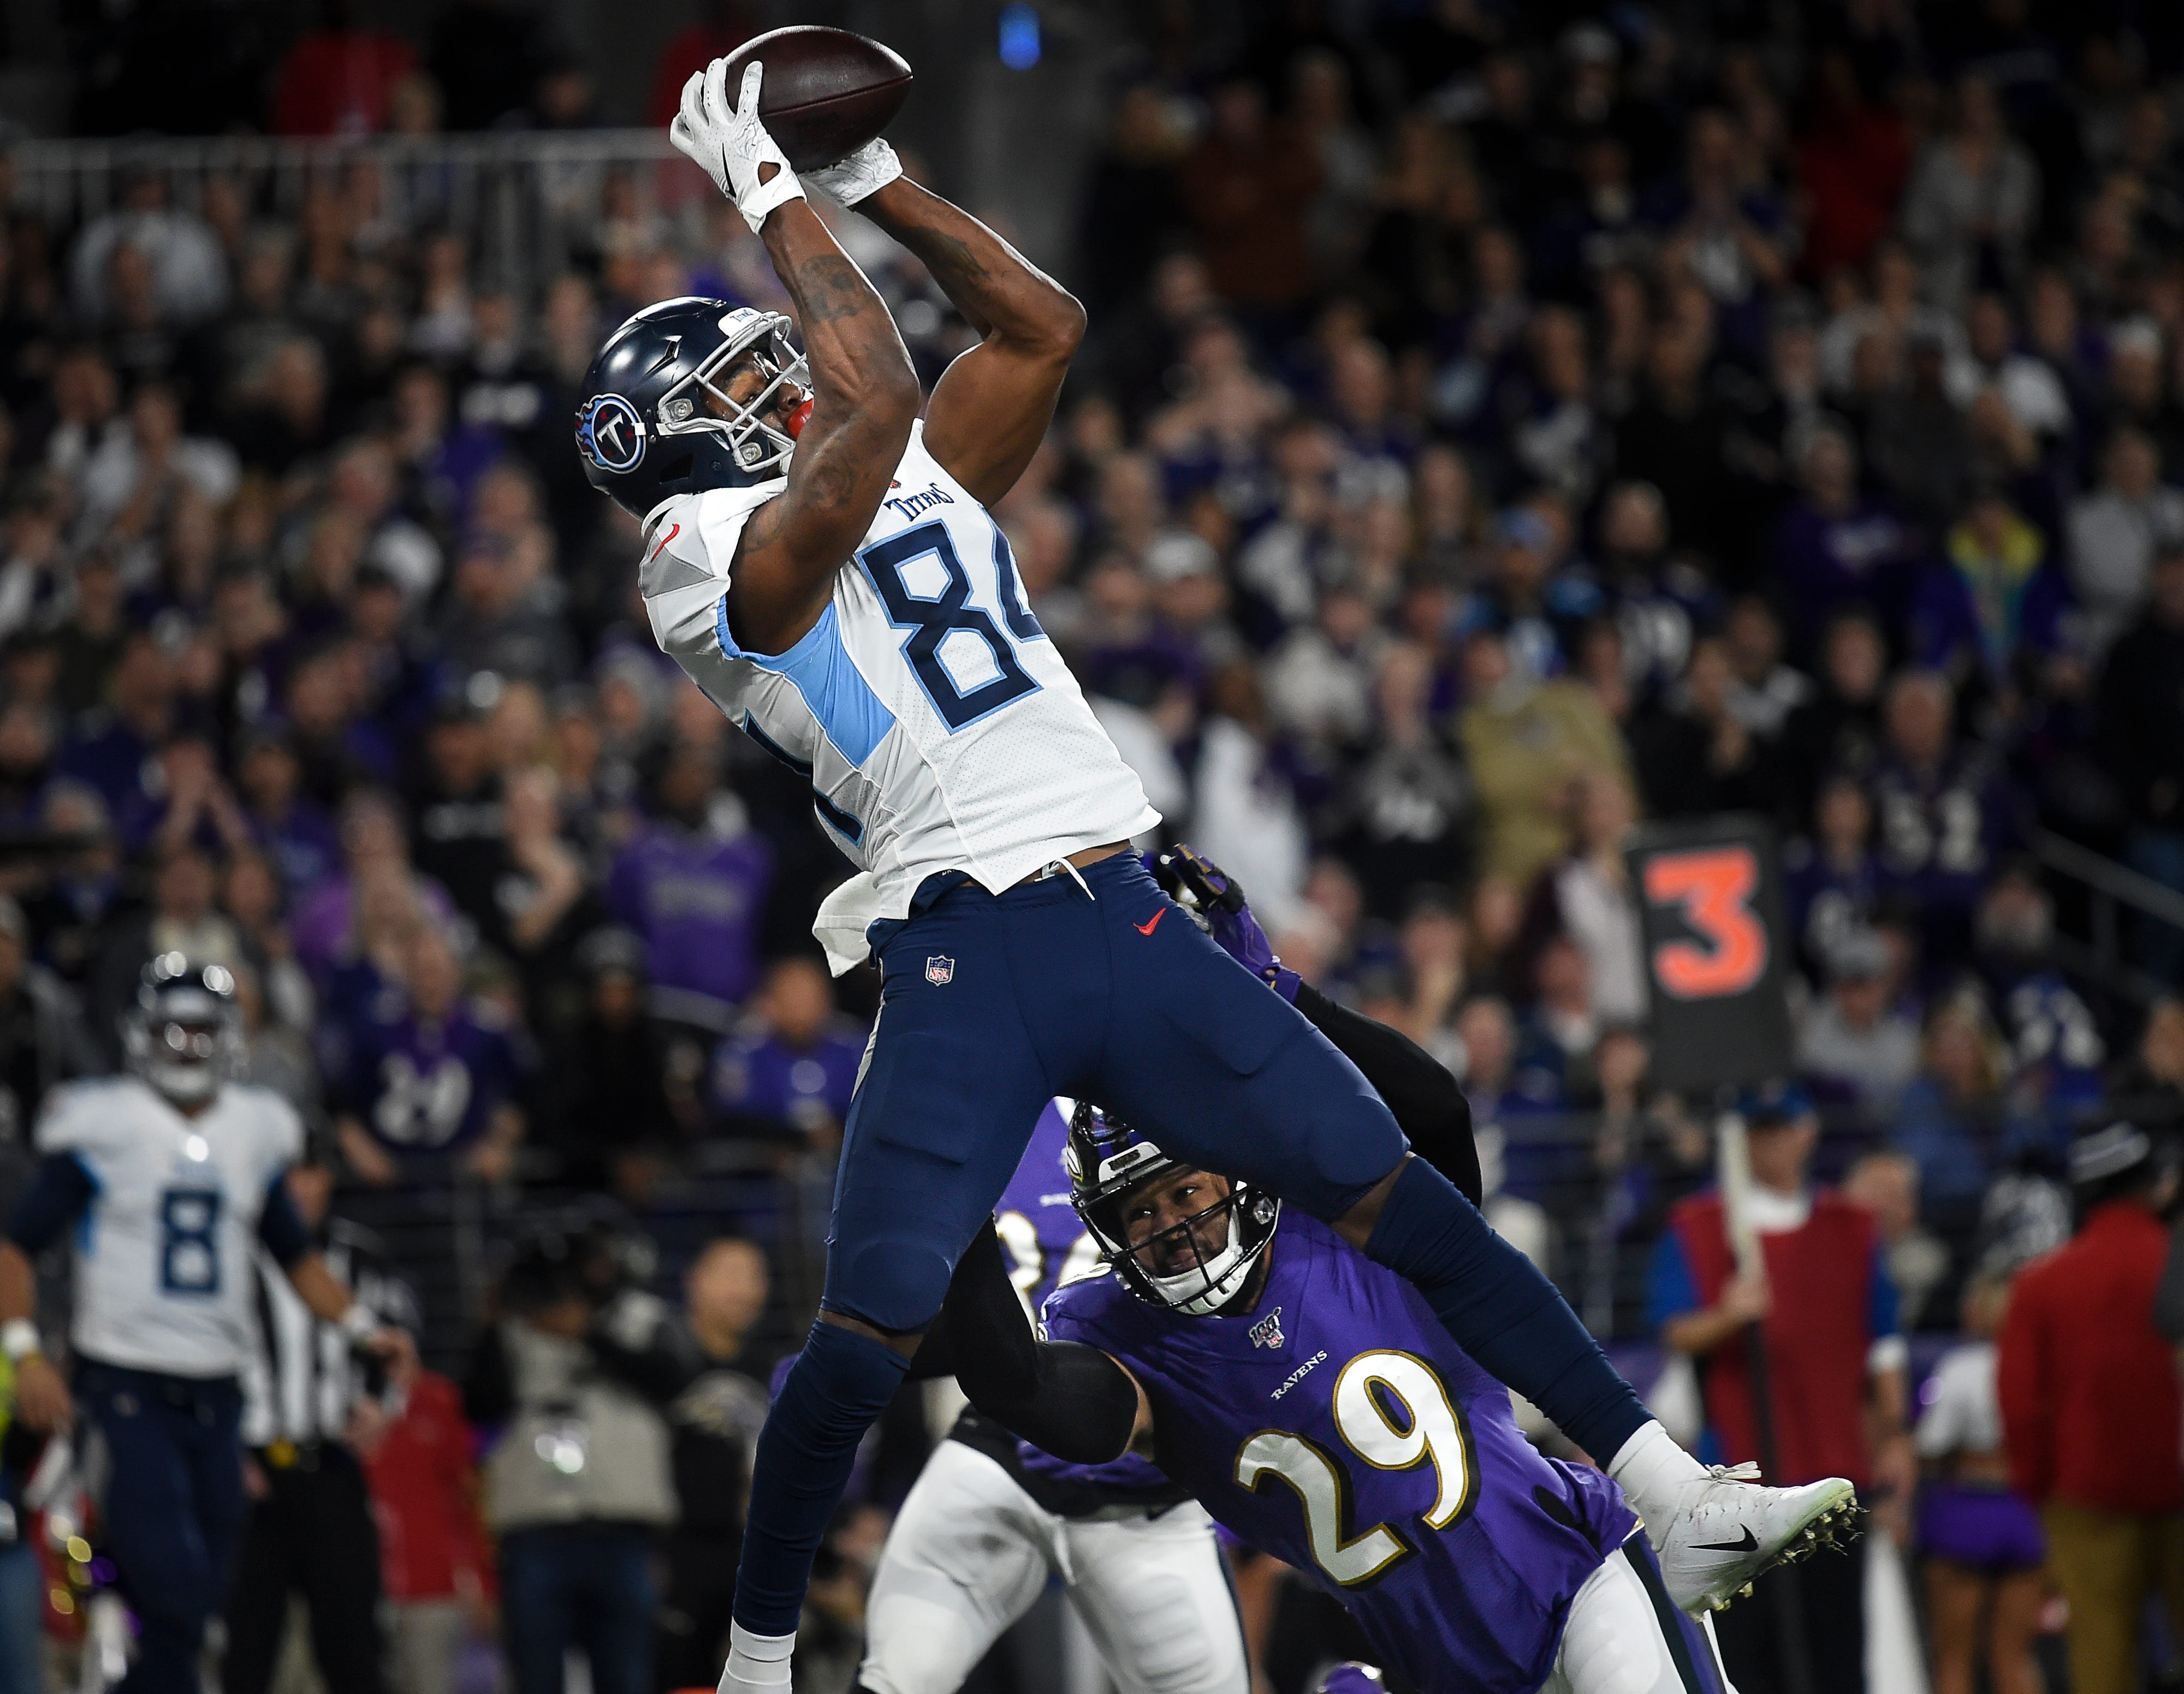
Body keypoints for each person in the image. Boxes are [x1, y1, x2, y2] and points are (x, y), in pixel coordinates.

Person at [597, 68, 1850, 1689]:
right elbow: (878, 398)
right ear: (686, 429)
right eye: (745, 377)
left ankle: (1668, 1494)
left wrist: (881, 174)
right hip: (962, 936)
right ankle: (761, 1663)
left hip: (1119, 896)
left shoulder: (884, 468)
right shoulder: (693, 556)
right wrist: (767, 186)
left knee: (1402, 1185)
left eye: (779, 364)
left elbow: (1039, 329)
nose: (776, 382)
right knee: (864, 1329)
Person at [937, 1101, 1756, 1694]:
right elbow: (1027, 1385)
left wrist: (1279, 991)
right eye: (1141, 1209)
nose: (1173, 1225)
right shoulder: (1131, 1340)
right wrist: (957, 1205)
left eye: (1185, 1191)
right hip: (1440, 1666)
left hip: (1575, 1573)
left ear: (1232, 1169)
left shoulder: (1340, 1217)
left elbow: (1434, 1104)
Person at [0, 956, 408, 1694]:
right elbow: (15, 1247)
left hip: (220, 1390)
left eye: (199, 1032)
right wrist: (26, 1352)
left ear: (226, 1039)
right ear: (140, 1037)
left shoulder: (254, 1129)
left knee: (206, 1593)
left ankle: (132, 1664)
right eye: (172, 1031)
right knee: (174, 1578)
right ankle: (123, 1623)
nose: (185, 1048)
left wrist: (361, 1328)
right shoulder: (105, 1122)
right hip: (126, 1379)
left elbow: (294, 1253)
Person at [1648, 1081, 1915, 1694]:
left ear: (1806, 1133)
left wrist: (1895, 1439)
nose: (1772, 1145)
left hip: (1833, 1466)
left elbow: (1883, 1347)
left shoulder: (1851, 1228)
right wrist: (1729, 1313)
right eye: (1757, 1133)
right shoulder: (1698, 1225)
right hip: (1739, 1481)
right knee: (1750, 1657)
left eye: (1782, 1130)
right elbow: (1675, 1330)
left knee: (1837, 1650)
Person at [224, 1134, 419, 1694]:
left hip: (330, 1464)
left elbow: (397, 1343)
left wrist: (383, 1410)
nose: (303, 1190)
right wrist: (226, 1450)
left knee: (354, 1646)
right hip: (253, 1474)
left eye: (312, 1175)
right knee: (248, 1646)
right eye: (289, 1177)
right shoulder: (232, 1253)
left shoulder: (360, 1255)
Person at [1997, 1122, 2184, 1694]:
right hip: (2180, 1491)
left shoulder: (2040, 1284)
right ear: (2151, 1186)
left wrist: (2039, 1491)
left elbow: (2021, 1406)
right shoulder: (2172, 1266)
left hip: (2086, 1499)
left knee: (2101, 1665)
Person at [1914, 1273, 2045, 1694]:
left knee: (1954, 1660)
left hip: (1968, 1510)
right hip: (2024, 1511)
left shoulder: (1961, 1366)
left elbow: (1932, 1442)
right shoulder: (2042, 1363)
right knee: (2015, 1657)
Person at [657, 1237, 774, 1693]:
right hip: (679, 1554)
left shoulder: (773, 1366)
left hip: (751, 1553)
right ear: (695, 1282)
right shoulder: (658, 1361)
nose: (744, 1289)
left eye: (754, 1276)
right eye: (729, 1274)